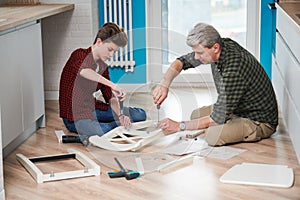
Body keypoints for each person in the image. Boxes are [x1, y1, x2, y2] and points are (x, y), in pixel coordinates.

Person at [152, 23, 278, 146]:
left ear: (215, 48)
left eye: (200, 53)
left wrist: (179, 126)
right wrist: (164, 84)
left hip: (258, 120)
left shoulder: (234, 68)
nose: (196, 57)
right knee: (196, 115)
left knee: (213, 136)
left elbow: (217, 118)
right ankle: (229, 124)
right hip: (237, 109)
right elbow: (180, 62)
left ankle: (237, 127)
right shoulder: (220, 45)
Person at [59, 22, 146, 137]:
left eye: (114, 52)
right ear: (99, 42)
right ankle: (113, 126)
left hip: (93, 108)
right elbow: (85, 71)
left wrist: (120, 116)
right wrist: (113, 85)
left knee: (140, 115)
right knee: (105, 130)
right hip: (75, 116)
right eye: (110, 49)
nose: (111, 55)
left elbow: (110, 97)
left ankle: (116, 124)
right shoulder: (79, 55)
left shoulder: (103, 67)